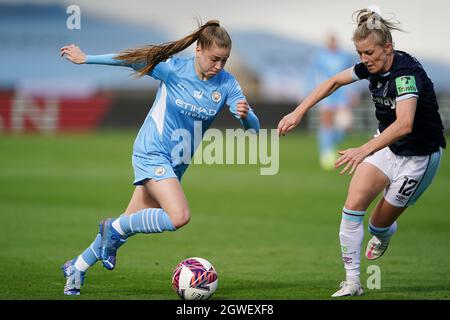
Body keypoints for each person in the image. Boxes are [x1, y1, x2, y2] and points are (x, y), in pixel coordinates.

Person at [60, 20, 260, 295]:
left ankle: (77, 266)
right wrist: (86, 59)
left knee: (128, 224)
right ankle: (112, 226)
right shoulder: (174, 68)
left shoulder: (226, 83)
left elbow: (254, 130)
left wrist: (245, 114)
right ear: (199, 49)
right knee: (178, 216)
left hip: (176, 162)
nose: (219, 66)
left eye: (224, 60)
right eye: (215, 59)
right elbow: (129, 60)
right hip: (152, 151)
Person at [277, 7, 445, 297]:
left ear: (388, 48)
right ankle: (353, 282)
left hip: (419, 158)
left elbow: (404, 124)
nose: (364, 60)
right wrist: (298, 112)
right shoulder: (368, 67)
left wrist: (363, 149)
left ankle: (384, 234)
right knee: (352, 206)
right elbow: (332, 82)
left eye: (369, 53)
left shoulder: (406, 75)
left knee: (378, 225)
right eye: (359, 53)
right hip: (387, 146)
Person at [313, 34, 359, 170]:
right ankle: (325, 152)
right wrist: (316, 93)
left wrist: (352, 92)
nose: (332, 43)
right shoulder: (320, 57)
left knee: (345, 124)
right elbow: (316, 75)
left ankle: (332, 144)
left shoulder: (344, 56)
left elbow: (352, 74)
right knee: (326, 122)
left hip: (342, 93)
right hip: (327, 93)